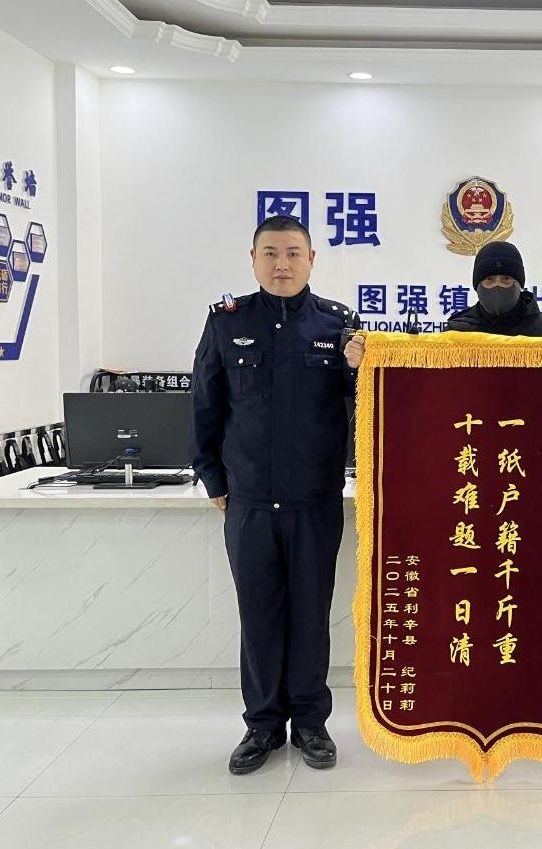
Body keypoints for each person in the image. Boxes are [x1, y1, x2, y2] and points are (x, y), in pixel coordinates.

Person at [191, 214, 366, 775]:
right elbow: (205, 404)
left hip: (314, 500)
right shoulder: (227, 323)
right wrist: (214, 479)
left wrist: (359, 370)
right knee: (259, 615)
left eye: (293, 253)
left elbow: (367, 405)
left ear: (312, 260)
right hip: (248, 502)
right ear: (253, 259)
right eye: (270, 253)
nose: (282, 264)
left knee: (311, 615)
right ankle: (263, 725)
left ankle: (311, 723)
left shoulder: (338, 324)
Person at [446, 240, 542, 337]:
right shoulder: (455, 334)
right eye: (489, 279)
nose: (497, 285)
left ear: (519, 285)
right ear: (477, 286)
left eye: (506, 279)